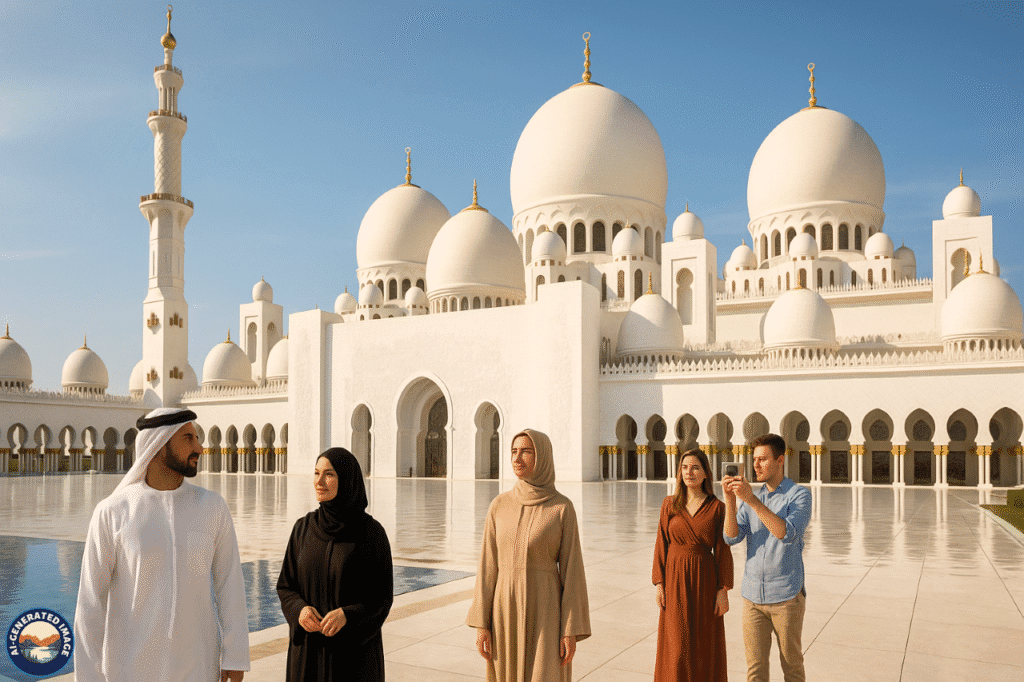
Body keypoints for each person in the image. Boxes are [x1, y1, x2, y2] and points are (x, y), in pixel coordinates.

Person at [75, 407, 250, 682]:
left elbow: (230, 584)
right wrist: (89, 677)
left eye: (197, 438)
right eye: (188, 439)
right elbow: (90, 602)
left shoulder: (212, 507)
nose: (200, 448)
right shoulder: (114, 511)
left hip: (199, 666)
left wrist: (235, 654)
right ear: (157, 446)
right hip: (131, 669)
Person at [467, 429, 591, 682]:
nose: (517, 457)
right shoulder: (499, 505)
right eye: (513, 451)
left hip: (545, 609)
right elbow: (487, 567)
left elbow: (572, 571)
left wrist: (569, 629)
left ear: (543, 456)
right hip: (504, 610)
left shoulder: (561, 507)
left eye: (526, 451)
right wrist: (482, 623)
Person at [277, 447, 393, 681]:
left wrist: (348, 615)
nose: (319, 481)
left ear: (347, 479)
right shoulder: (303, 529)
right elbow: (286, 586)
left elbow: (381, 597)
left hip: (353, 658)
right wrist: (300, 610)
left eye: (329, 474)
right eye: (316, 473)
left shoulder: (371, 534)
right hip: (309, 655)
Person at [722, 433, 812, 682]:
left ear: (780, 460)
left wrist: (751, 500)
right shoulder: (751, 497)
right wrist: (730, 500)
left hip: (786, 597)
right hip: (752, 597)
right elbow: (731, 537)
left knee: (792, 667)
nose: (756, 465)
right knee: (755, 671)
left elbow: (787, 533)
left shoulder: (799, 495)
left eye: (763, 459)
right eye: (754, 460)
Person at [653, 448, 733, 682]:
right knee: (677, 647)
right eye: (685, 467)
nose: (690, 472)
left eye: (695, 467)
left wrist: (723, 591)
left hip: (705, 582)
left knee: (702, 643)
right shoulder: (670, 504)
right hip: (675, 580)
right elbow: (661, 544)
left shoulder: (717, 507)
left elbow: (722, 550)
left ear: (706, 473)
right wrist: (659, 583)